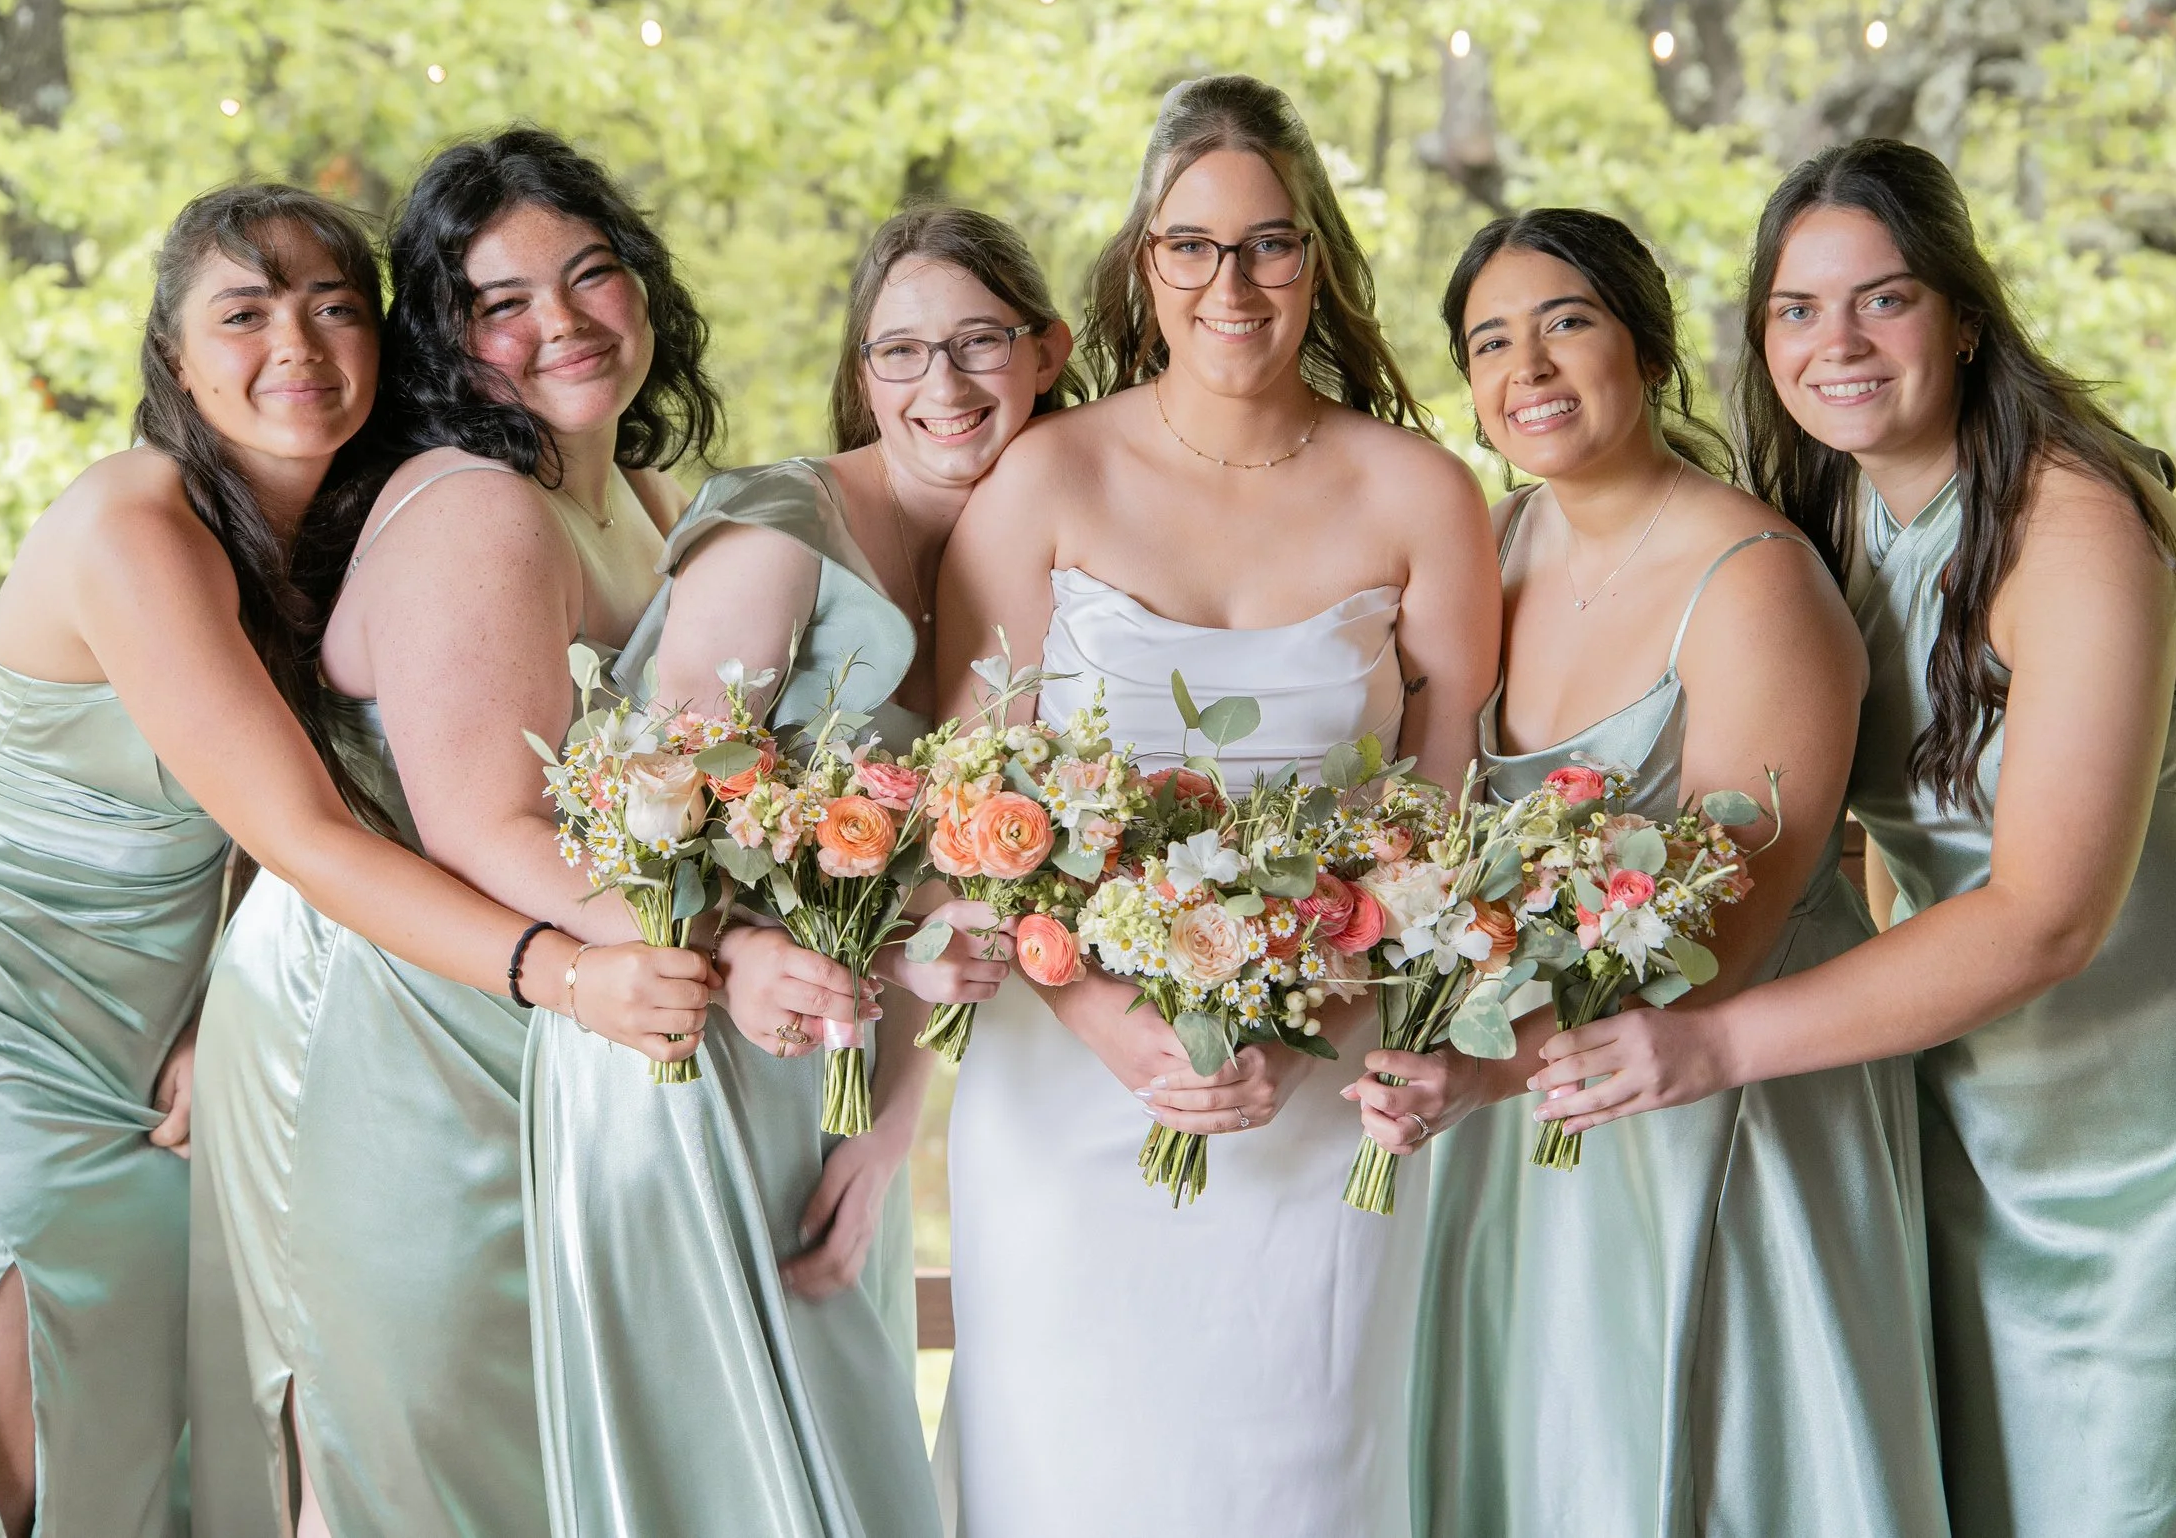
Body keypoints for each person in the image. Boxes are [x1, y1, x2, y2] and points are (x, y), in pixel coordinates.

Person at [1531, 139, 2176, 1534]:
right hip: (1954, 1103)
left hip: (2170, 1120)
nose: (1838, 343)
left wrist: (1713, 1044)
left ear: (1967, 316)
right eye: (1797, 310)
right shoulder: (1823, 512)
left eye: (1885, 299)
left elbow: (2049, 911)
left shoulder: (2082, 528)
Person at [0, 184, 705, 1538]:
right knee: (28, 1419)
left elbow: (313, 803)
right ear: (173, 356)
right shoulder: (128, 529)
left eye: (337, 307)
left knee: (163, 1410)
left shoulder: (349, 524)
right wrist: (567, 975)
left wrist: (220, 1007)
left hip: (142, 1030)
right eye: (245, 312)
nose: (300, 345)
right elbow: (306, 832)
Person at [933, 74, 1501, 1538]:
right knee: (1066, 1468)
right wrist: (1117, 1024)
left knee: (1303, 1471)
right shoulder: (1043, 478)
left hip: (1321, 1083)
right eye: (1192, 245)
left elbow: (1437, 820)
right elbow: (972, 795)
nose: (1230, 282)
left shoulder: (1424, 493)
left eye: (1269, 244)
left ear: (1318, 257)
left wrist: (1300, 1032)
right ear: (1143, 264)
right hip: (1071, 1067)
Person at [1348, 208, 1946, 1536]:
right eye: (1490, 342)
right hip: (1518, 1099)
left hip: (1717, 1097)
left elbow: (1733, 923)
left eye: (1567, 323)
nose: (1530, 370)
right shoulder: (1490, 551)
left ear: (1649, 344)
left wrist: (1497, 1067)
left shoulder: (1756, 580)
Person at [193, 129, 726, 1537]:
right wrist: (718, 956)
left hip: (530, 1003)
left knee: (534, 1444)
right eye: (501, 301)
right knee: (417, 1444)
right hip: (384, 1017)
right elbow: (484, 821)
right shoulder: (479, 507)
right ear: (446, 337)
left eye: (591, 274)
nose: (561, 321)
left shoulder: (640, 496)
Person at [525, 204, 1076, 1538]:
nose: (939, 387)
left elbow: (939, 905)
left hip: (835, 1068)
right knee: (733, 1483)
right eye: (899, 352)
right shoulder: (788, 525)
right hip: (685, 1038)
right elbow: (648, 814)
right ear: (862, 372)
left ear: (1048, 351)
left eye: (976, 343)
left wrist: (890, 1128)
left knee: (847, 1470)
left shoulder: (1023, 563)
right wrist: (733, 954)